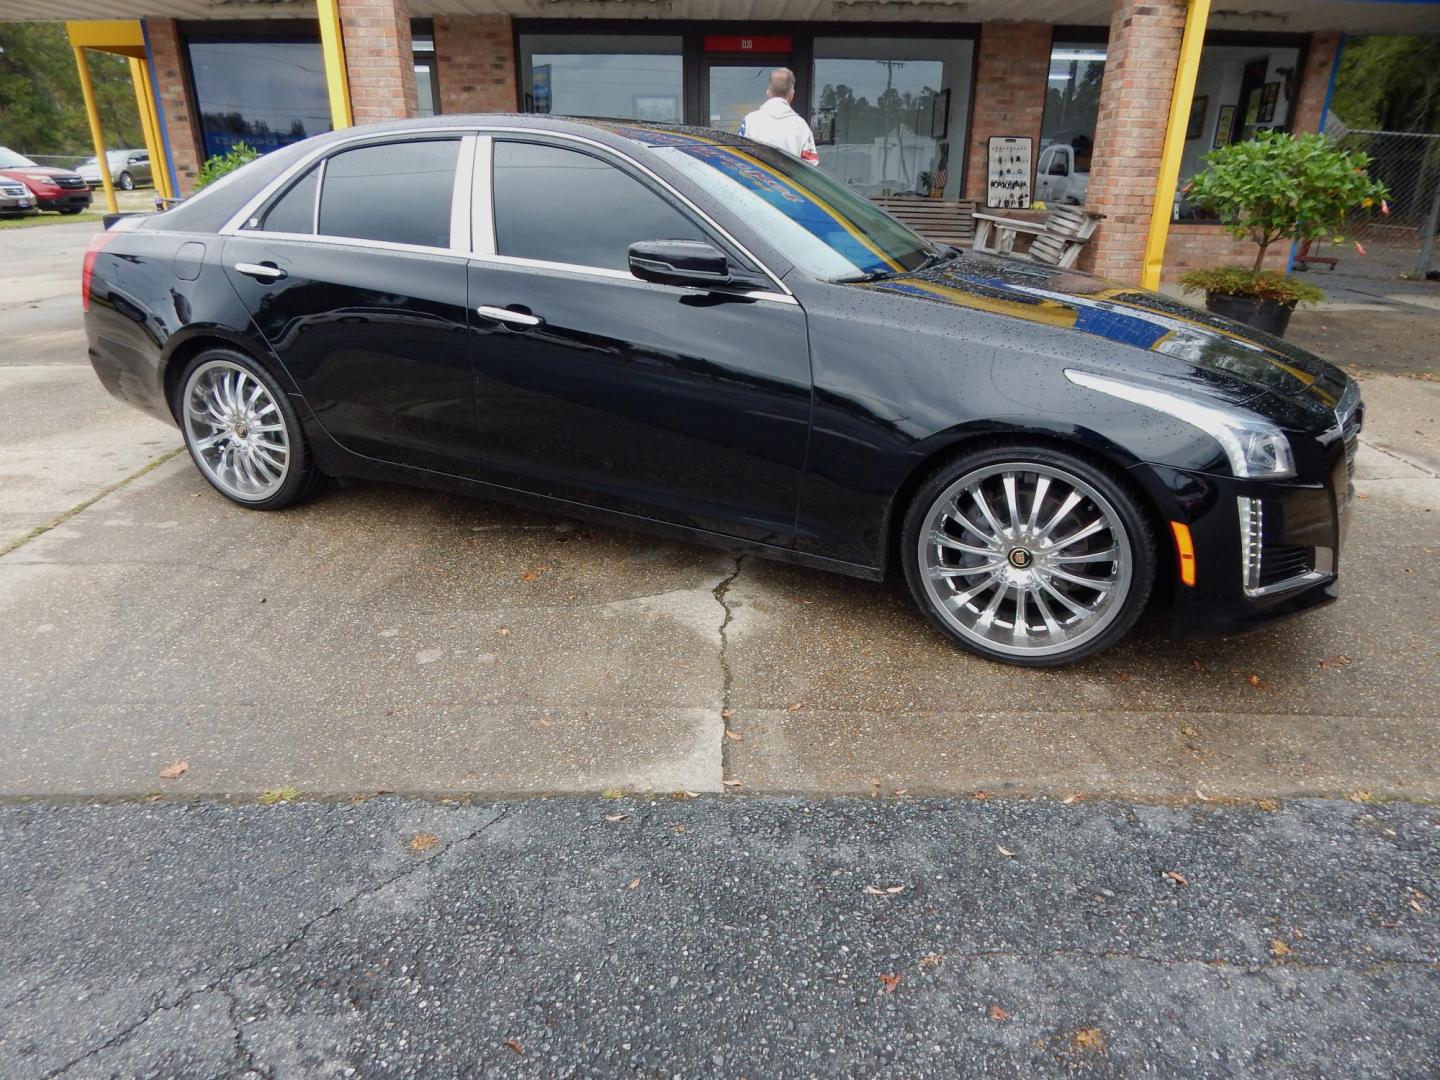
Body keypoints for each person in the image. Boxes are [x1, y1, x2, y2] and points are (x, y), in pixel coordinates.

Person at [738, 68, 819, 165]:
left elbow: (739, 159)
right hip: (788, 180)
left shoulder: (749, 121)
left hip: (756, 179)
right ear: (792, 95)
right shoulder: (801, 126)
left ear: (768, 92)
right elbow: (811, 166)